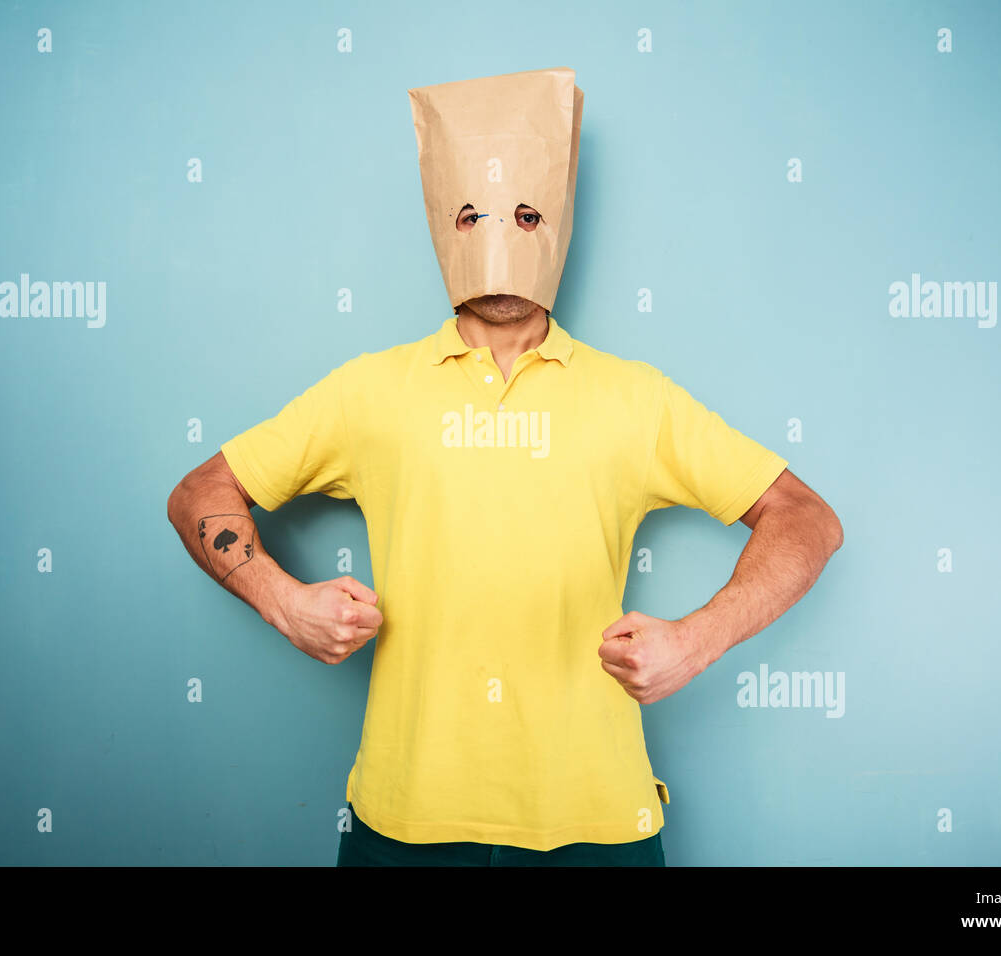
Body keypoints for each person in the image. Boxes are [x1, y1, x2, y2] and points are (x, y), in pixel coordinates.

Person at [166, 68, 843, 866]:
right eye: (475, 213)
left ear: (554, 223)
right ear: (444, 224)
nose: (502, 237)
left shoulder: (635, 397)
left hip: (596, 819)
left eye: (527, 214)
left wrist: (697, 640)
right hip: (402, 815)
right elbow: (198, 494)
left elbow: (809, 519)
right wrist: (286, 603)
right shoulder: (370, 391)